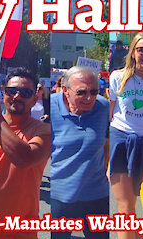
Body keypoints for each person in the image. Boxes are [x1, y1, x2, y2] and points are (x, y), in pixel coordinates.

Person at [0, 67, 50, 239]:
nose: (17, 96)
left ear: (34, 99)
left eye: (25, 92)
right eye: (12, 91)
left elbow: (25, 158)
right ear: (3, 94)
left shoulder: (43, 131)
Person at [109, 32, 143, 239]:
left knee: (131, 200)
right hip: (121, 140)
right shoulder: (117, 77)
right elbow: (110, 114)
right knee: (125, 205)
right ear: (133, 53)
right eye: (142, 49)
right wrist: (106, 155)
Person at [51, 66, 110, 239]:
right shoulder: (52, 107)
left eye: (94, 91)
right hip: (60, 198)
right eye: (81, 92)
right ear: (65, 90)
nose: (89, 97)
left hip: (96, 196)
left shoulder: (104, 107)